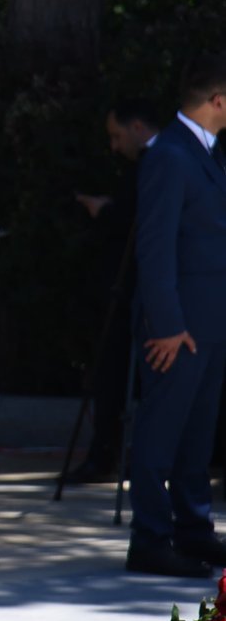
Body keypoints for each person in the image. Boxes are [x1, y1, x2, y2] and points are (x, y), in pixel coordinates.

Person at [126, 56, 226, 578]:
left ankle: (192, 529)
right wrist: (166, 323)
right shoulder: (169, 153)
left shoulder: (205, 152)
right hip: (179, 325)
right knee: (161, 431)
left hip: (210, 322)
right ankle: (150, 536)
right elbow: (156, 244)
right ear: (218, 101)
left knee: (196, 434)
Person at [65, 100, 165, 484]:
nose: (114, 146)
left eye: (117, 135)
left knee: (118, 371)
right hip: (138, 287)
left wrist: (106, 212)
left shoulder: (159, 164)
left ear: (138, 126)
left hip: (141, 290)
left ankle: (110, 453)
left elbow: (138, 222)